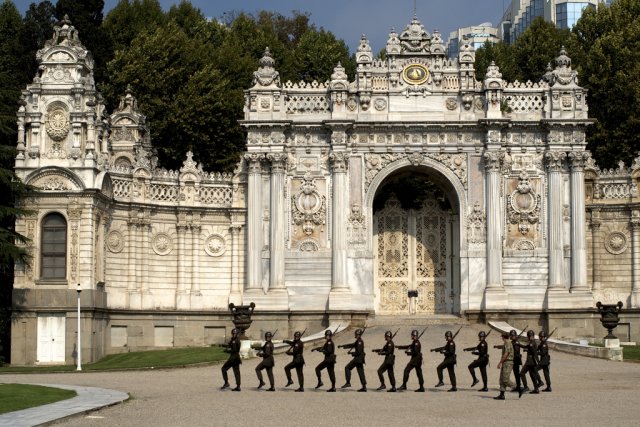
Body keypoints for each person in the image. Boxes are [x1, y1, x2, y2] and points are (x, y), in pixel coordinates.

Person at [517, 330, 542, 394]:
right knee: (532, 375)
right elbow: (527, 347)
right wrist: (519, 344)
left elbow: (532, 351)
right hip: (532, 361)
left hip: (530, 362)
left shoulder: (531, 343)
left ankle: (526, 387)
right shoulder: (532, 342)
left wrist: (518, 344)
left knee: (522, 373)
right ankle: (536, 389)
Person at [494, 332, 514, 400]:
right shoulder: (506, 343)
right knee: (502, 379)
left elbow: (506, 354)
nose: (501, 338)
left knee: (505, 379)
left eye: (502, 337)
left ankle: (517, 387)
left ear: (503, 337)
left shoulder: (508, 343)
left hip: (508, 363)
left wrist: (500, 362)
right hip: (505, 362)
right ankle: (502, 395)